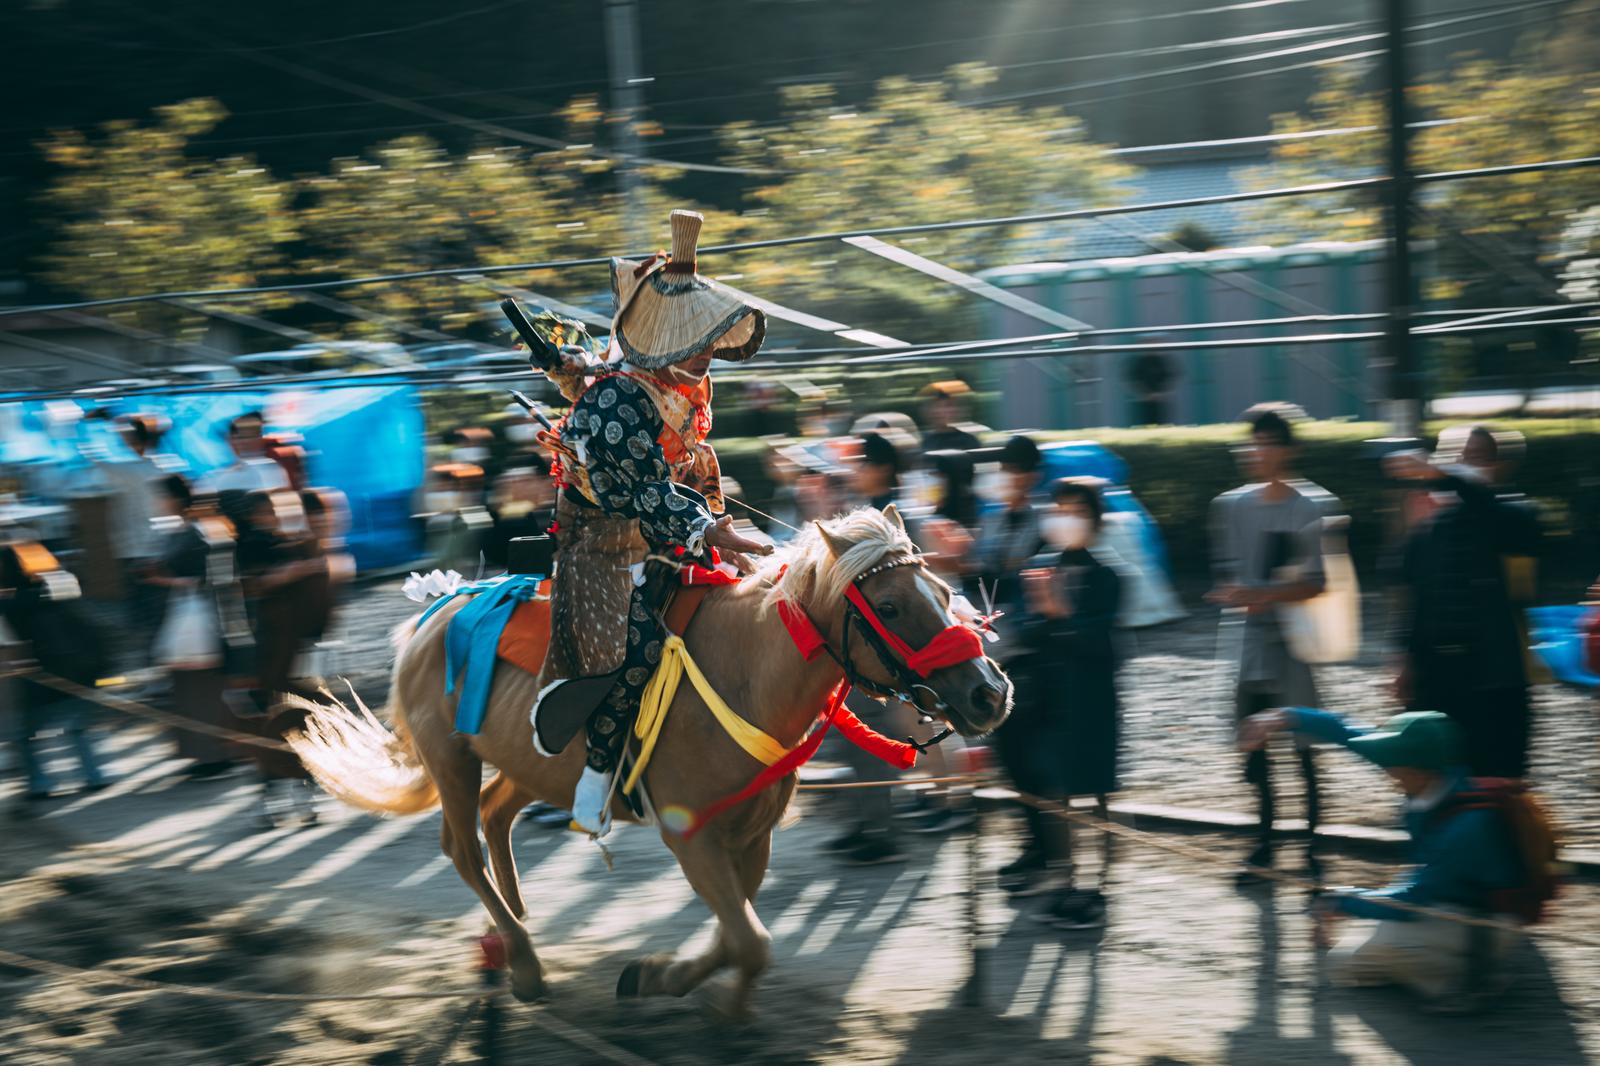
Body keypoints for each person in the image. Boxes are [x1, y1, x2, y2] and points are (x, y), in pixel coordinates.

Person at [528, 209, 772, 835]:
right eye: (698, 340)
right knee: (633, 650)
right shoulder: (615, 399)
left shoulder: (688, 382)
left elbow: (694, 462)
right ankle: (596, 773)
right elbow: (646, 491)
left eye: (710, 337)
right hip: (601, 537)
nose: (709, 351)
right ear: (667, 343)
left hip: (670, 524)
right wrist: (712, 531)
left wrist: (719, 521)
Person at [1239, 707, 1551, 1005]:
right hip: (1450, 901)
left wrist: (1337, 901)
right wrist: (1283, 717)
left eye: (1393, 761)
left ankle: (1470, 980)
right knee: (1370, 937)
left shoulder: (1464, 829)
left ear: (1418, 771)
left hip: (1481, 921)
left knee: (1345, 963)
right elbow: (1346, 732)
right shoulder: (1437, 777)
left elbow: (1411, 900)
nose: (1387, 769)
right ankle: (1450, 962)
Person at [1207, 406, 1341, 881]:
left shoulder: (1311, 506)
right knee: (1256, 750)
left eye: (1269, 443)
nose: (1258, 452)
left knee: (1305, 748)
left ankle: (1313, 849)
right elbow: (1226, 573)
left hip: (1295, 644)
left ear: (1289, 450)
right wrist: (1235, 594)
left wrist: (1261, 595)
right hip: (1247, 644)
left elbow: (1319, 582)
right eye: (1254, 442)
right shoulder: (1230, 507)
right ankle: (1263, 846)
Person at [1387, 433, 1541, 780]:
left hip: (1496, 681)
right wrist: (1404, 661)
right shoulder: (1430, 527)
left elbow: (1484, 506)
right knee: (1439, 783)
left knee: (1497, 783)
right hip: (1438, 681)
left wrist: (1444, 476)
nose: (1464, 465)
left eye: (1478, 457)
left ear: (1501, 466)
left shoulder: (1516, 515)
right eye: (1457, 457)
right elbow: (1414, 598)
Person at [1005, 479, 1122, 926]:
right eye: (1059, 509)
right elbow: (1024, 630)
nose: (1066, 519)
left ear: (1095, 521)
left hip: (1091, 699)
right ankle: (1067, 880)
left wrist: (1058, 613)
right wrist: (1042, 616)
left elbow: (1099, 642)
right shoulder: (1039, 569)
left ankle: (1099, 888)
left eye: (1076, 510)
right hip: (1047, 700)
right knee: (1056, 796)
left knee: (1096, 794)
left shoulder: (1107, 575)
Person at [0, 530, 110, 805]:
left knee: (25, 733)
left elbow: (11, 640)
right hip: (80, 665)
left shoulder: (10, 603)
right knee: (77, 725)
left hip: (42, 671)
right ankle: (93, 775)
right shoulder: (57, 587)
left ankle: (39, 782)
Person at [197, 412, 291, 495]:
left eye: (254, 435)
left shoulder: (273, 468)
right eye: (240, 437)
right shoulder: (221, 478)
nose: (245, 442)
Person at [919, 380, 983, 454]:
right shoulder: (922, 440)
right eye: (934, 406)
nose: (938, 411)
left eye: (947, 406)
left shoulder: (968, 441)